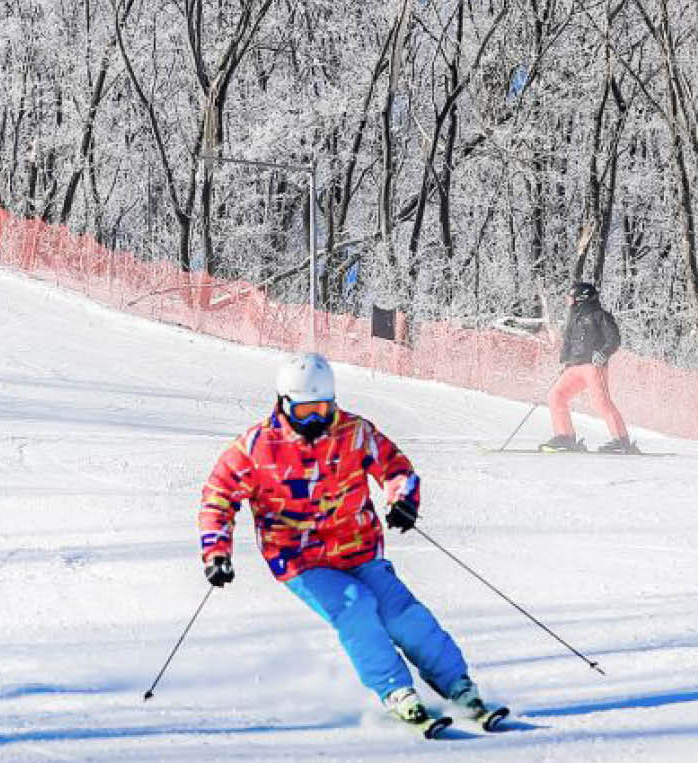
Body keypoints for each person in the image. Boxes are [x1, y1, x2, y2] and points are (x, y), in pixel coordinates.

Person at [198, 351, 504, 733]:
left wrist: (403, 499)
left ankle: (458, 685)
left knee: (401, 613)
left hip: (358, 546)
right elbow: (218, 497)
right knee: (355, 606)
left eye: (323, 409)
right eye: (305, 411)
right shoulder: (256, 447)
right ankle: (396, 691)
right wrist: (216, 552)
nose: (316, 420)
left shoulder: (353, 432)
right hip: (299, 558)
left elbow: (395, 467)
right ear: (284, 403)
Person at [543, 279, 635, 454]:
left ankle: (621, 440)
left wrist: (604, 353)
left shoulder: (600, 315)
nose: (569, 301)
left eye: (571, 297)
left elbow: (614, 339)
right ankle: (565, 436)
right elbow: (569, 342)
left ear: (582, 298)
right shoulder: (573, 318)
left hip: (593, 366)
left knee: (600, 402)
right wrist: (565, 362)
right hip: (574, 367)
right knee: (556, 395)